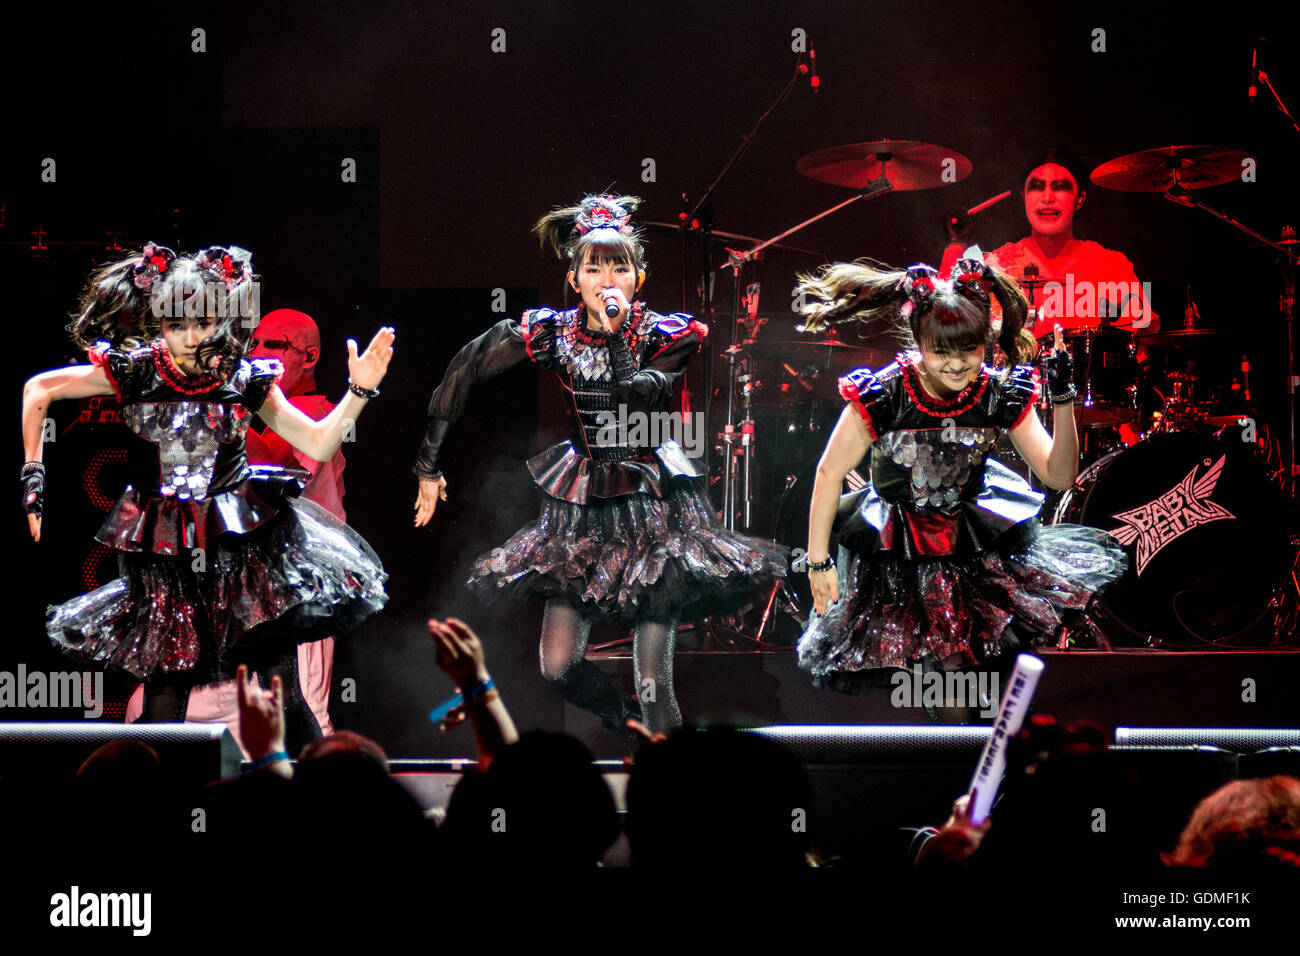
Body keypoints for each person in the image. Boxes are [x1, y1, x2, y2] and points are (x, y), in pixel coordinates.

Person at [412, 195, 787, 735]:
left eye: (619, 267)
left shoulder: (666, 333)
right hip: (583, 507)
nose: (606, 278)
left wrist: (614, 337)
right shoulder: (553, 333)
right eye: (593, 268)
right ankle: (622, 718)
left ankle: (670, 784)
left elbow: (641, 400)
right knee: (558, 667)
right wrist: (428, 464)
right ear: (574, 278)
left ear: (639, 276)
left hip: (654, 506)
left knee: (654, 679)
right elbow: (467, 366)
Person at [23, 244, 393, 754]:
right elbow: (38, 390)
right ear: (159, 321)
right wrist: (33, 477)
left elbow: (319, 442)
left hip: (245, 550)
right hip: (166, 558)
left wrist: (358, 391)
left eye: (201, 324)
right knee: (163, 698)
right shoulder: (137, 371)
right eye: (176, 325)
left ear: (219, 319)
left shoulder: (241, 378)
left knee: (282, 693)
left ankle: (317, 801)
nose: (190, 338)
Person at [794, 255, 1127, 693]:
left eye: (967, 350)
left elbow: (1059, 475)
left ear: (984, 342)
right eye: (940, 351)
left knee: (980, 688)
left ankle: (973, 756)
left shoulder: (997, 393)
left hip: (974, 555)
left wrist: (1062, 397)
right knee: (945, 689)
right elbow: (828, 472)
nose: (955, 364)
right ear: (918, 341)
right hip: (899, 561)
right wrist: (818, 562)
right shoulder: (883, 396)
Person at [123, 308, 345, 743]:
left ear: (310, 356)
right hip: (250, 590)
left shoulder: (316, 412)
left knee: (301, 713)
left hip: (299, 592)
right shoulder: (260, 405)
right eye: (254, 344)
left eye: (273, 345)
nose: (257, 353)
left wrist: (219, 403)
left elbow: (270, 463)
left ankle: (321, 798)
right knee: (153, 708)